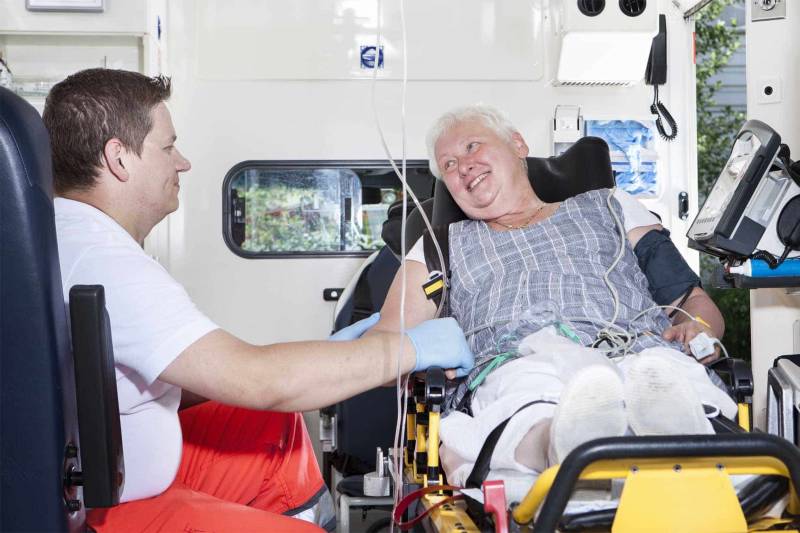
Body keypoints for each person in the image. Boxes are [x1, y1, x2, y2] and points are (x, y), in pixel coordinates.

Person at [43, 68, 474, 532]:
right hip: (107, 504)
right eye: (167, 148)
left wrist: (328, 356)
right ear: (119, 158)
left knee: (274, 424)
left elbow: (189, 375)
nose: (182, 163)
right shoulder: (107, 262)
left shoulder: (73, 233)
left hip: (121, 464)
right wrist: (407, 349)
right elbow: (260, 380)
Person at [367, 104, 736, 502]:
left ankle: (669, 432)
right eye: (449, 165)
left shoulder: (613, 206)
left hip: (637, 350)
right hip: (519, 362)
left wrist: (698, 329)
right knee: (532, 395)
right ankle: (565, 443)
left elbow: (693, 300)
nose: (464, 167)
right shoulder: (439, 246)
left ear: (517, 144)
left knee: (662, 376)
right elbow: (383, 343)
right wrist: (426, 359)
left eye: (472, 146)